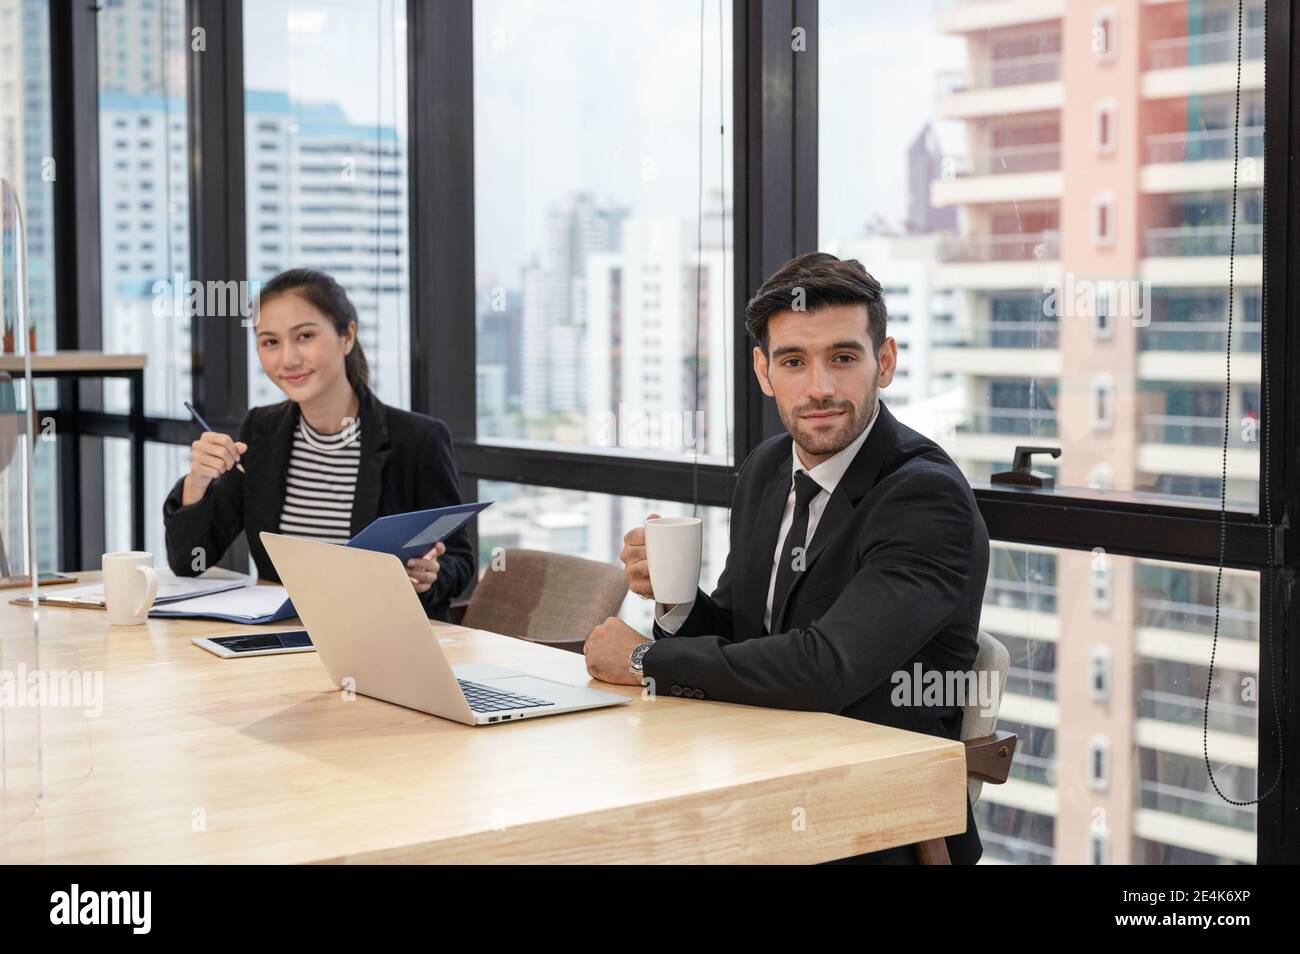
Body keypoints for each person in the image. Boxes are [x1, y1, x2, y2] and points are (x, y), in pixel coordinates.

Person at [582, 252, 990, 863]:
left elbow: (826, 668)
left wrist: (645, 658)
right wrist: (674, 599)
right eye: (794, 361)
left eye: (843, 358)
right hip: (756, 771)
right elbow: (748, 635)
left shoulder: (924, 497)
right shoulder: (768, 469)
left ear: (884, 362)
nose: (819, 387)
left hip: (874, 818)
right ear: (763, 371)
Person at [163, 268, 473, 621]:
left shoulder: (416, 440)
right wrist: (197, 484)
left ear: (347, 336)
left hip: (380, 634)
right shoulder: (260, 432)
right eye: (270, 342)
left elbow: (459, 563)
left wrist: (429, 576)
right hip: (281, 637)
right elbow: (189, 561)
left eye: (305, 336)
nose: (289, 359)